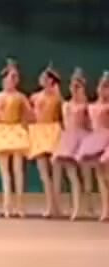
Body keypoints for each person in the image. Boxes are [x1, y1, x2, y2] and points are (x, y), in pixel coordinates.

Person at [0, 59, 31, 219]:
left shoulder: (20, 97)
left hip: (16, 131)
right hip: (2, 131)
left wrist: (24, 124)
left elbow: (29, 114)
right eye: (10, 77)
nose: (13, 80)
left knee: (18, 170)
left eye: (15, 77)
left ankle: (20, 205)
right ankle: (7, 205)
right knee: (4, 171)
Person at [54, 68, 91, 221]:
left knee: (86, 175)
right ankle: (75, 207)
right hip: (68, 138)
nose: (74, 90)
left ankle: (87, 205)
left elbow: (88, 123)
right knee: (72, 175)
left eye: (78, 87)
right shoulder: (66, 105)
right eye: (73, 86)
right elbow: (64, 122)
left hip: (82, 138)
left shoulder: (85, 105)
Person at [27, 64, 63, 218]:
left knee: (56, 171)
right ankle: (49, 205)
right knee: (43, 172)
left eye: (44, 77)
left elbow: (62, 113)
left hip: (53, 130)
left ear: (51, 81)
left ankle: (57, 206)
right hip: (39, 131)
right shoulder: (35, 97)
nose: (41, 79)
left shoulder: (57, 97)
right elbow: (31, 114)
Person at [78, 71, 109, 222]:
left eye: (106, 88)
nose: (103, 91)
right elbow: (88, 124)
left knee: (107, 175)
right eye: (102, 87)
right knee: (100, 176)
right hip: (96, 138)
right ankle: (105, 209)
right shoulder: (91, 106)